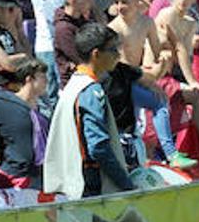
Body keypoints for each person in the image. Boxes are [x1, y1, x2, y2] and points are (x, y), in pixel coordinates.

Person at [43, 22, 135, 198]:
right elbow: (98, 146)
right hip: (89, 183)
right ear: (96, 54)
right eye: (113, 50)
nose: (118, 54)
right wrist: (125, 182)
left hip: (72, 179)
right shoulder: (90, 91)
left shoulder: (74, 83)